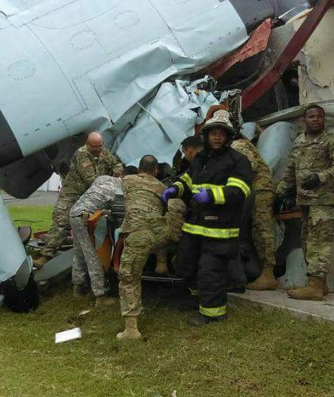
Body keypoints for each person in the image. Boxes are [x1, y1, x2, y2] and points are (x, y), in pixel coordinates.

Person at [163, 110, 252, 326]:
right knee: (185, 264)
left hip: (219, 229)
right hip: (195, 226)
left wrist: (212, 195)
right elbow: (188, 180)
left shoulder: (237, 160)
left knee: (210, 271)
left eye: (222, 133)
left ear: (228, 136)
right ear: (207, 135)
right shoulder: (200, 159)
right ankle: (199, 300)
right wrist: (175, 188)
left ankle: (213, 313)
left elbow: (240, 190)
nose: (217, 137)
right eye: (214, 133)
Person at [277, 104, 334, 300]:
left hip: (325, 201)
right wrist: (280, 192)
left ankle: (314, 287)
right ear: (304, 120)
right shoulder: (299, 141)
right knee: (308, 242)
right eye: (311, 116)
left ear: (324, 120)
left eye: (319, 116)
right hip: (305, 201)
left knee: (319, 244)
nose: (315, 119)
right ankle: (320, 284)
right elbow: (291, 170)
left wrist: (320, 177)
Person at [33, 132, 123, 268]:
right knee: (61, 221)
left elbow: (116, 164)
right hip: (73, 194)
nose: (98, 149)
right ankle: (45, 255)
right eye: (94, 146)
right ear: (87, 144)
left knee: (97, 223)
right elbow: (92, 180)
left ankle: (94, 258)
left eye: (100, 146)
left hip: (89, 195)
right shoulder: (81, 154)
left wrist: (117, 170)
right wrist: (110, 180)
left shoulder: (104, 152)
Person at [117, 155, 168, 340]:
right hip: (160, 237)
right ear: (156, 171)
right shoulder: (161, 187)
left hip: (138, 236)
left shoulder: (128, 180)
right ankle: (162, 264)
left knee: (128, 277)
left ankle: (131, 330)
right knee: (157, 223)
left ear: (139, 169)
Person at [69, 168, 132, 307]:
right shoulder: (120, 190)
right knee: (93, 256)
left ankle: (77, 288)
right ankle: (100, 296)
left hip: (74, 213)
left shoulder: (102, 178)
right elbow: (120, 215)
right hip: (86, 217)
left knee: (80, 253)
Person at [231, 134, 278, 290]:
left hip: (260, 190)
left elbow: (248, 166)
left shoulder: (237, 145)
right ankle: (263, 272)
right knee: (255, 230)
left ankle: (268, 274)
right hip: (255, 190)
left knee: (262, 229)